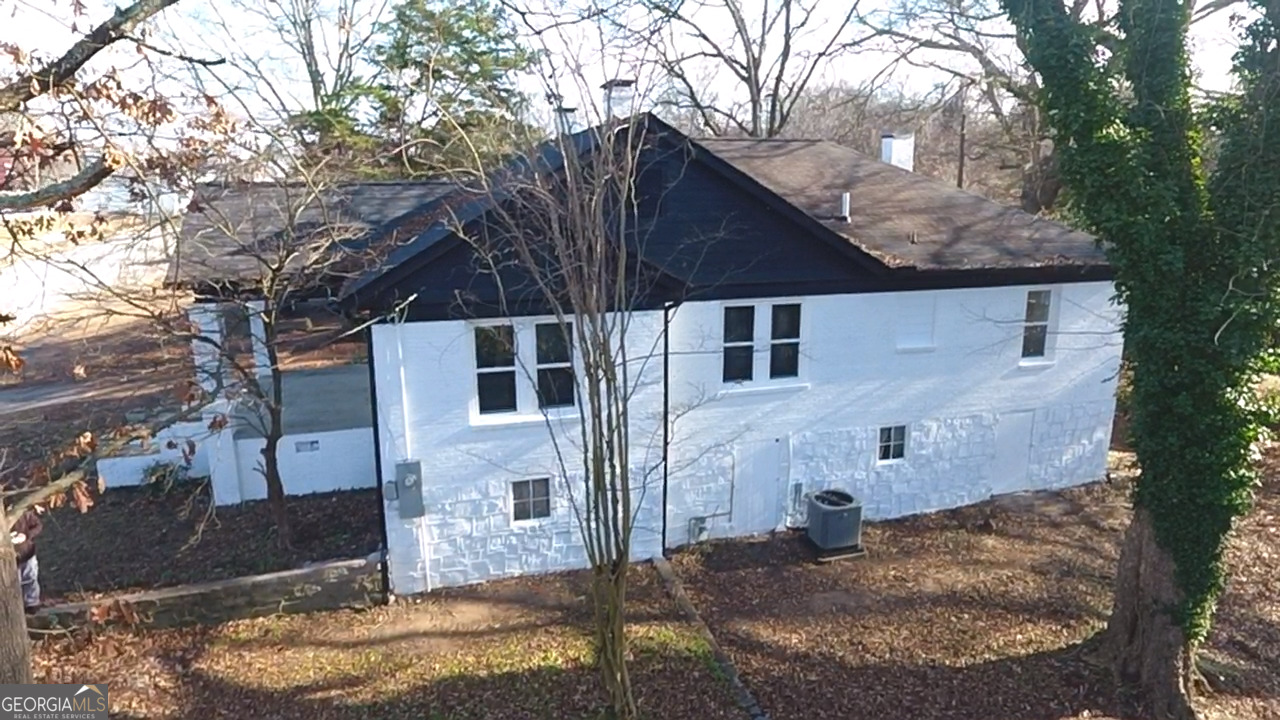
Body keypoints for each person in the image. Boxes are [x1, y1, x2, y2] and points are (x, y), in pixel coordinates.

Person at [10, 507, 42, 614]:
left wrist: (26, 536)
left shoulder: (24, 513)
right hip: (11, 556)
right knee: (13, 582)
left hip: (27, 552)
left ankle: (32, 603)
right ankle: (15, 604)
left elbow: (38, 526)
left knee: (30, 578)